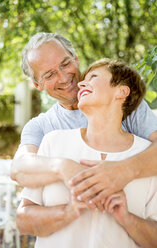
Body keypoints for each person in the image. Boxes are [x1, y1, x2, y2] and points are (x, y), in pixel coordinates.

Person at [11, 32, 157, 236]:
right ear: (38, 85)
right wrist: (63, 166)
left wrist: (121, 171)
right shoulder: (43, 129)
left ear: (75, 59)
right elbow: (19, 169)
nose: (63, 77)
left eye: (65, 64)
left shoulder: (125, 106)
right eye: (49, 75)